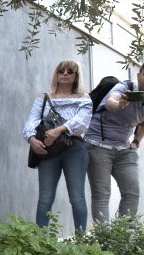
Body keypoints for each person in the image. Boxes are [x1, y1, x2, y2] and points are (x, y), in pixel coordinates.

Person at [86, 59, 144, 222]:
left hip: (124, 149)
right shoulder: (124, 87)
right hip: (98, 146)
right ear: (139, 74)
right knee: (102, 193)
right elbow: (110, 103)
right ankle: (104, 239)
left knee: (132, 193)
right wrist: (121, 102)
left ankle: (122, 237)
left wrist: (136, 142)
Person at [23, 60, 93, 231]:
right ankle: (39, 243)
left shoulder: (84, 98)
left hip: (74, 149)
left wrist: (59, 130)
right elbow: (31, 121)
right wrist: (32, 139)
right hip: (48, 149)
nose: (65, 74)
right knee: (45, 197)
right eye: (61, 71)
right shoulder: (44, 98)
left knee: (77, 196)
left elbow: (82, 122)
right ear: (56, 74)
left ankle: (82, 243)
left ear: (76, 76)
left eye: (70, 71)